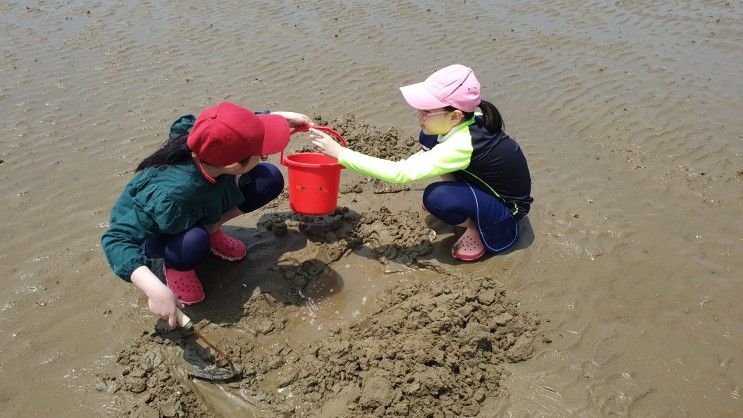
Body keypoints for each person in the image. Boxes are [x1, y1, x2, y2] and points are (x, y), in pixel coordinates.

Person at [102, 102, 311, 326]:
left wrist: (279, 117)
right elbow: (116, 239)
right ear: (232, 165)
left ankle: (212, 228)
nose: (265, 153)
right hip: (162, 233)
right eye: (260, 152)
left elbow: (232, 128)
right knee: (194, 241)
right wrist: (153, 289)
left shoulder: (206, 141)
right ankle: (177, 265)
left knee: (268, 178)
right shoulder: (168, 192)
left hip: (205, 201)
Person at [312, 64, 532, 262]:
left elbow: (399, 173)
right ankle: (467, 202)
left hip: (508, 209)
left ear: (455, 116)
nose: (419, 113)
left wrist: (340, 153)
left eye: (426, 110)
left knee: (436, 197)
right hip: (486, 188)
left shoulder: (461, 145)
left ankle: (477, 227)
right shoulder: (469, 117)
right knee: (428, 136)